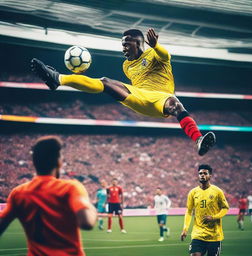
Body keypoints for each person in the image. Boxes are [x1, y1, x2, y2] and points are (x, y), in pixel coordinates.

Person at [31, 28, 216, 156]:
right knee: (104, 81)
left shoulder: (154, 54)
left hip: (162, 98)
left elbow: (165, 56)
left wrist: (156, 46)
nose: (123, 49)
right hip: (138, 96)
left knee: (175, 104)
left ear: (138, 43)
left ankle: (198, 139)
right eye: (122, 45)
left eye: (127, 44)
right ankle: (58, 79)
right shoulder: (127, 66)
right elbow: (135, 85)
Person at [0, 136, 97, 256]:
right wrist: (91, 207)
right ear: (59, 162)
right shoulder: (71, 188)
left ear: (34, 162)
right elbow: (86, 223)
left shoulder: (19, 193)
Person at [181, 164, 229, 256]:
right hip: (198, 234)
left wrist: (214, 217)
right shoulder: (193, 192)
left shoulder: (217, 191)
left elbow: (225, 208)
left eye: (205, 173)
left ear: (210, 175)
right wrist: (185, 229)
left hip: (214, 236)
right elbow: (189, 211)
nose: (202, 175)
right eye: (200, 173)